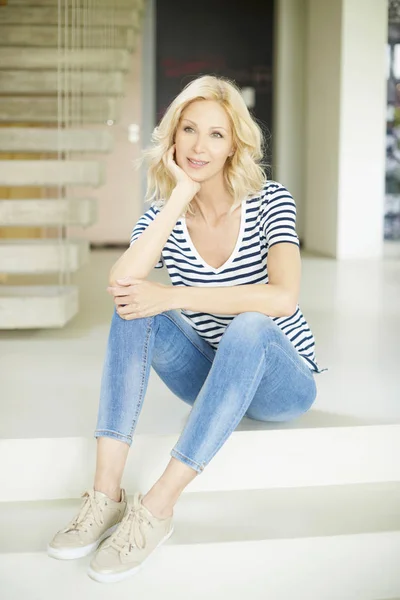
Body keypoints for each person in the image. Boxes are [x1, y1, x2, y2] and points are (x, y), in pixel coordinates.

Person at [47, 74, 324, 583]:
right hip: (212, 374)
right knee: (132, 303)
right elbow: (120, 280)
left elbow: (283, 298)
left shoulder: (271, 200)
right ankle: (106, 496)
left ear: (234, 143)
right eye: (189, 130)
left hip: (280, 379)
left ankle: (156, 509)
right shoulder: (162, 213)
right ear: (172, 136)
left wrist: (173, 294)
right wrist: (180, 196)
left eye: (216, 134)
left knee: (248, 324)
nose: (200, 145)